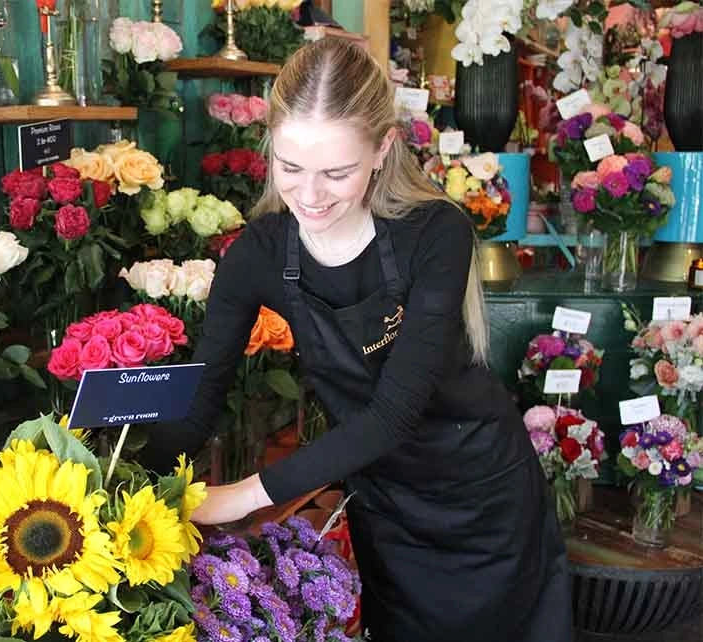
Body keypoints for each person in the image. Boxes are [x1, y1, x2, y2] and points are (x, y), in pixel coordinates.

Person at [141, 38, 571, 642]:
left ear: (382, 149)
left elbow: (394, 413)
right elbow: (201, 396)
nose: (310, 197)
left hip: (486, 504)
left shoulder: (433, 232)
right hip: (388, 510)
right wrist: (132, 482)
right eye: (290, 168)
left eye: (336, 172)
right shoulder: (259, 254)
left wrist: (241, 496)